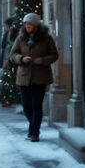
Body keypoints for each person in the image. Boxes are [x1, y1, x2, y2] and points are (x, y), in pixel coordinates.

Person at [9, 13, 58, 142]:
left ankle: (35, 132)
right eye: (25, 24)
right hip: (24, 76)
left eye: (29, 24)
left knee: (37, 106)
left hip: (40, 77)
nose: (27, 26)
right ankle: (33, 126)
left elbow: (54, 55)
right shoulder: (21, 38)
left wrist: (42, 60)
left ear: (36, 25)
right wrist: (21, 58)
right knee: (26, 106)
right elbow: (13, 54)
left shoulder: (46, 38)